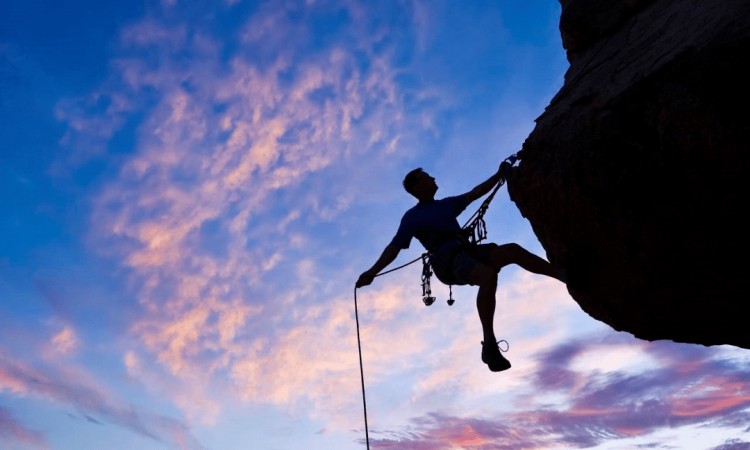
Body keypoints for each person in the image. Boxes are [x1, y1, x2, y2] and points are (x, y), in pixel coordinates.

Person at [355, 162, 567, 372]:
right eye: (428, 177)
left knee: (511, 250)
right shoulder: (412, 217)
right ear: (417, 187)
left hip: (465, 251)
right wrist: (373, 272)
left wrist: (499, 173)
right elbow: (394, 247)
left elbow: (475, 193)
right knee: (487, 275)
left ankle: (563, 275)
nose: (433, 179)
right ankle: (489, 343)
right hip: (447, 261)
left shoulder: (446, 205)